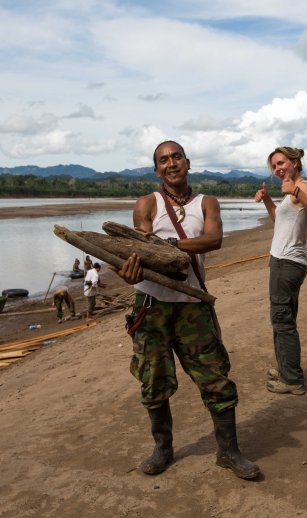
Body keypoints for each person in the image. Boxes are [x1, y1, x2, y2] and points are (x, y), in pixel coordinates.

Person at [115, 140, 260, 480]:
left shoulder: (207, 203)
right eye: (163, 160)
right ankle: (163, 449)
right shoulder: (146, 203)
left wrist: (168, 246)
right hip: (150, 305)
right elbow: (140, 249)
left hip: (193, 305)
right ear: (156, 170)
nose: (171, 163)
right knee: (153, 380)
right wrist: (129, 270)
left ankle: (229, 451)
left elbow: (213, 239)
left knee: (215, 377)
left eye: (176, 157)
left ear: (188, 162)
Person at [254, 146, 307, 396]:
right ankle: (286, 369)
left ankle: (292, 379)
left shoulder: (302, 186)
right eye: (274, 166)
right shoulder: (292, 189)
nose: (278, 169)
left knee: (282, 321)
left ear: (294, 162)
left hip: (288, 263)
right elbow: (280, 219)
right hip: (284, 262)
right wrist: (267, 200)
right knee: (282, 318)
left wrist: (295, 190)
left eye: (281, 163)